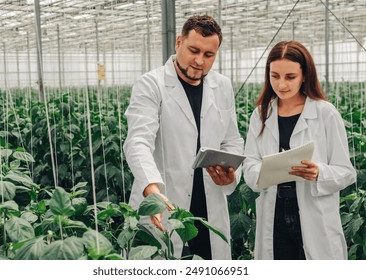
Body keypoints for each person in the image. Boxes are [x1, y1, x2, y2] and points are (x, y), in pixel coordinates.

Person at [123, 15, 244, 260]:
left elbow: (232, 140)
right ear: (178, 43)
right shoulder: (151, 84)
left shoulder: (222, 86)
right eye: (193, 50)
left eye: (209, 55)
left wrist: (232, 174)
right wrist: (151, 188)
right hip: (165, 200)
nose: (199, 61)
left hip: (209, 204)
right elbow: (138, 141)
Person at [242, 40, 357, 260]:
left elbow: (346, 171)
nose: (281, 84)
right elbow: (250, 163)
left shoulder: (325, 113)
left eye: (290, 77)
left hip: (314, 210)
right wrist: (264, 172)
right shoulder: (261, 115)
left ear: (305, 75)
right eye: (275, 76)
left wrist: (319, 173)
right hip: (274, 211)